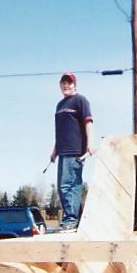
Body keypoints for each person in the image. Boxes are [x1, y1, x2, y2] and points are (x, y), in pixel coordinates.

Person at [50, 72, 93, 232]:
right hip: (62, 151)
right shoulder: (60, 105)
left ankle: (71, 220)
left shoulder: (80, 100)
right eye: (63, 83)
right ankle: (78, 220)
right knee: (64, 186)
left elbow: (88, 122)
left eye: (69, 82)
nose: (66, 85)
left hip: (76, 151)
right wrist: (55, 150)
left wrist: (90, 144)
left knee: (69, 185)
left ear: (75, 85)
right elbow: (61, 131)